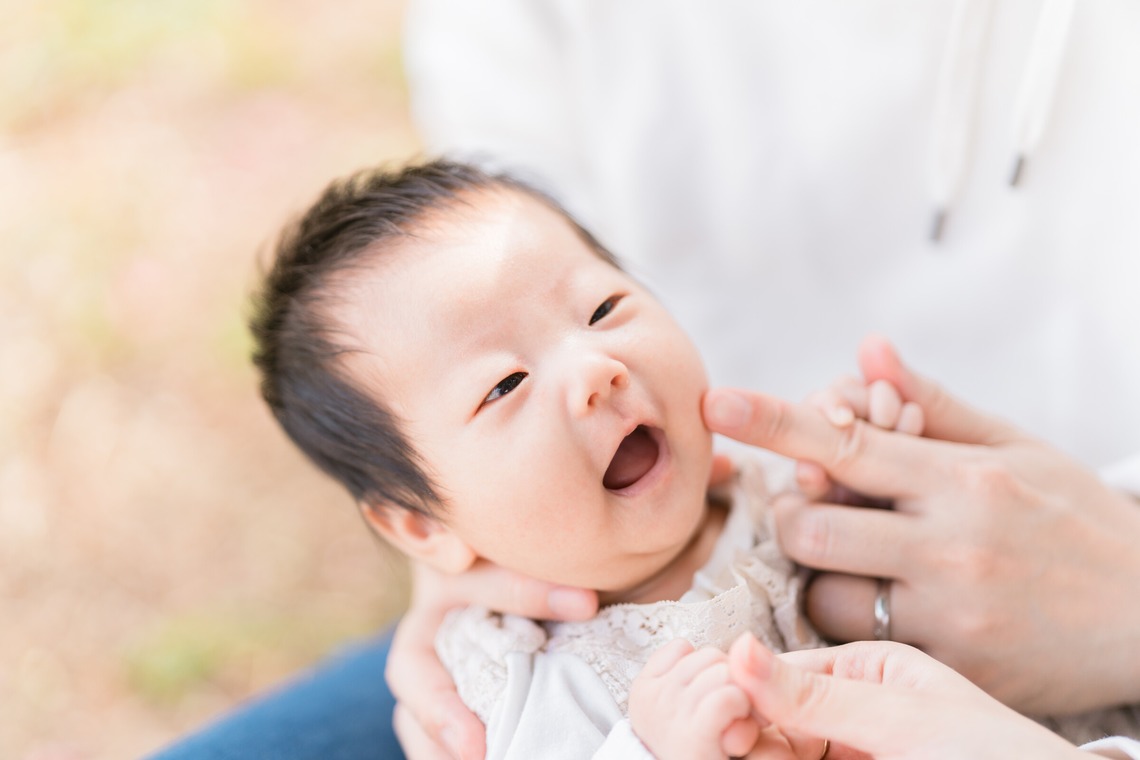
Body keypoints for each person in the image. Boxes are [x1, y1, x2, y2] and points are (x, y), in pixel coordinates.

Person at [387, 2, 1140, 756]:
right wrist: (462, 505)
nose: (595, 367)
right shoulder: (518, 665)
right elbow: (464, 267)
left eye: (606, 308)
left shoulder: (757, 502)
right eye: (506, 385)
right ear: (416, 523)